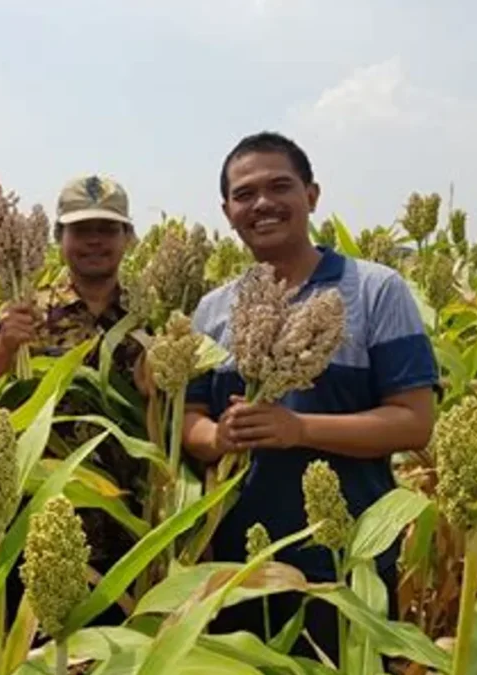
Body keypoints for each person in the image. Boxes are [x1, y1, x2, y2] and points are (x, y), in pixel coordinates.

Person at [182, 132, 438, 659]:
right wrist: (218, 437)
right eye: (244, 194)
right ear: (228, 212)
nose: (262, 204)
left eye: (280, 186)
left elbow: (415, 422)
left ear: (312, 195)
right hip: (236, 567)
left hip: (342, 565)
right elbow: (188, 421)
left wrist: (298, 429)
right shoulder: (212, 310)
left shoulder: (374, 290)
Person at [0, 174, 150, 625]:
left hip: (132, 526)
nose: (94, 241)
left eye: (108, 230)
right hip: (40, 525)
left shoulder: (149, 313)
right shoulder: (24, 310)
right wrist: (4, 350)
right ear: (59, 238)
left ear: (128, 238)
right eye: (80, 230)